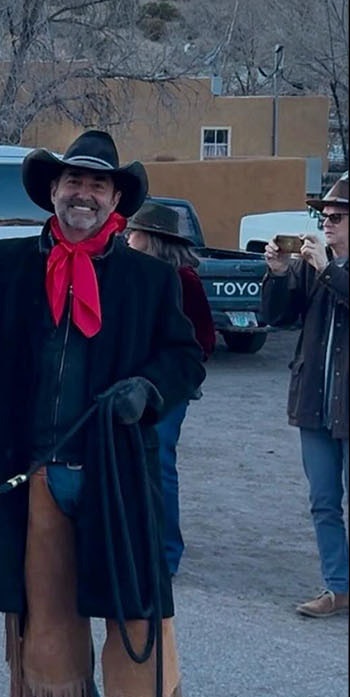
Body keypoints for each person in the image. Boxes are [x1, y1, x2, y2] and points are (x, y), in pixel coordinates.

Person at [0, 129, 205, 697]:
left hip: (114, 477)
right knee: (49, 625)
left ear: (115, 200)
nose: (83, 194)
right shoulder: (6, 266)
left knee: (137, 621)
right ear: (53, 192)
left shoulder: (148, 279)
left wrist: (147, 390)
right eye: (73, 181)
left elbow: (185, 357)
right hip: (31, 475)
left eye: (96, 184)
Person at [259, 172, 349, 619]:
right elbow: (275, 317)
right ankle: (338, 587)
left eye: (336, 216)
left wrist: (329, 271)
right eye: (324, 216)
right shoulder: (313, 267)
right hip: (314, 402)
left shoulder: (325, 269)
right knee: (324, 501)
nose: (326, 223)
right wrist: (276, 274)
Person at [124, 201, 216, 578]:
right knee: (134, 464)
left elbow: (203, 340)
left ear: (151, 239)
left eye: (133, 233)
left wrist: (170, 371)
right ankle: (140, 544)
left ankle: (166, 553)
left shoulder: (182, 280)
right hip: (134, 384)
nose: (127, 238)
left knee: (159, 464)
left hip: (169, 389)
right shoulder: (138, 276)